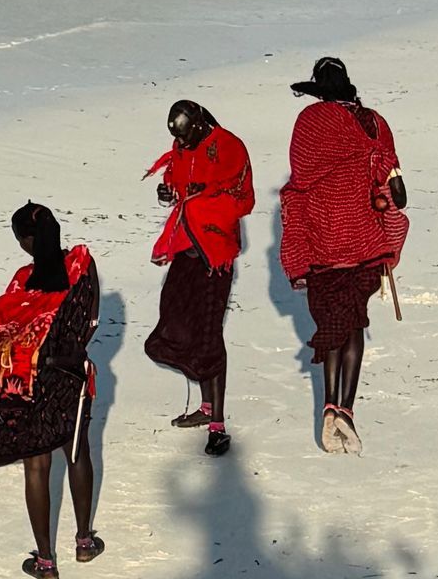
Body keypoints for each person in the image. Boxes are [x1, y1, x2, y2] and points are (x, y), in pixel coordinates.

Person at [0, 202, 102, 579]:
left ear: (25, 241)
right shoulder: (82, 266)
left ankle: (45, 561)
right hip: (72, 377)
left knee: (37, 466)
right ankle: (85, 541)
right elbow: (91, 319)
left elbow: (0, 333)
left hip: (30, 381)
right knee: (77, 453)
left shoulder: (22, 279)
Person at [279, 56, 409, 454]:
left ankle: (329, 407)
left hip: (322, 242)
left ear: (318, 90)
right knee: (353, 323)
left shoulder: (308, 124)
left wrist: (296, 254)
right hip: (365, 240)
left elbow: (299, 181)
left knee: (334, 323)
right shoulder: (373, 124)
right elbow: (393, 184)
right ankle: (345, 410)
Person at [143, 98, 254, 456]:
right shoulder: (181, 147)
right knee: (174, 316)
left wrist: (202, 199)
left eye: (187, 138)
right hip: (186, 247)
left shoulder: (228, 146)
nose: (183, 145)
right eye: (180, 140)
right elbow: (176, 180)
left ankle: (218, 424)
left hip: (214, 252)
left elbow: (242, 198)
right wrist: (169, 192)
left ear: (200, 125)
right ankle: (206, 408)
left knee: (209, 332)